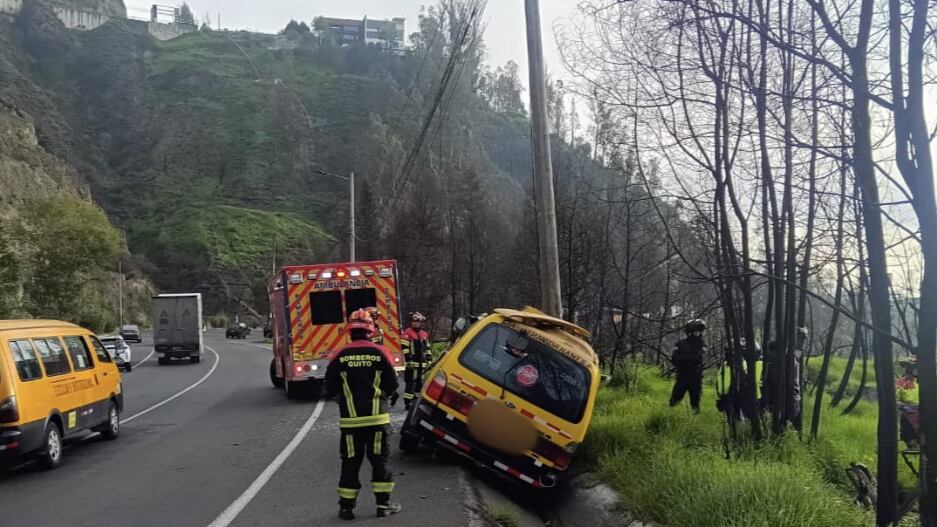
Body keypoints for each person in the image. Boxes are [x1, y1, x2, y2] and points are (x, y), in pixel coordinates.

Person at [325, 309, 402, 520]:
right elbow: (393, 385)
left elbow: (330, 388)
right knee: (380, 461)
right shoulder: (381, 353)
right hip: (378, 420)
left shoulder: (339, 356)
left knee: (350, 462)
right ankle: (383, 505)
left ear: (350, 331)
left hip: (351, 423)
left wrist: (344, 397)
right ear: (371, 331)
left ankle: (346, 508)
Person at [669, 319, 708, 413]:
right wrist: (687, 359)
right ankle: (668, 418)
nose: (698, 333)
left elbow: (698, 358)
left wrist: (683, 359)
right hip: (682, 376)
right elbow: (674, 359)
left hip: (695, 377)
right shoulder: (681, 343)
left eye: (700, 330)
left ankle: (695, 424)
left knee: (695, 403)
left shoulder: (702, 344)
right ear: (690, 331)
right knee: (674, 400)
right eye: (696, 330)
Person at [401, 312, 431, 410]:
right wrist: (408, 359)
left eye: (417, 321)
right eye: (413, 321)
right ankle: (408, 403)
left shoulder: (424, 334)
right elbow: (404, 347)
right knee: (410, 384)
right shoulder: (407, 333)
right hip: (412, 364)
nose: (415, 323)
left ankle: (416, 402)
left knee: (419, 383)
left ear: (421, 322)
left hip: (421, 364)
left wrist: (429, 360)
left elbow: (428, 348)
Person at [896, 355, 920, 449]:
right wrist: (902, 406)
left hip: (925, 412)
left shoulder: (928, 381)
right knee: (906, 432)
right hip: (907, 413)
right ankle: (912, 444)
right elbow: (895, 399)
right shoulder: (901, 383)